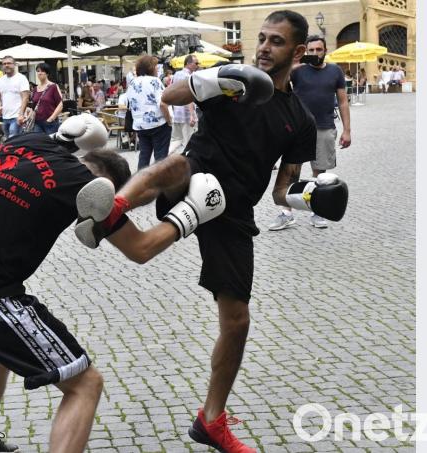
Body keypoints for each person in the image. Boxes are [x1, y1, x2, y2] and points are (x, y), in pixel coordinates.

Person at [73, 10, 349, 453]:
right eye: (262, 38)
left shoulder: (296, 118)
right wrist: (218, 80)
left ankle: (211, 420)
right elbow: (171, 91)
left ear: (298, 52)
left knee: (237, 321)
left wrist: (312, 197)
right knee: (177, 162)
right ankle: (113, 208)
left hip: (235, 209)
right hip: (197, 169)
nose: (263, 46)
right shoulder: (236, 81)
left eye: (275, 41)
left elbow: (281, 189)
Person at [0, 114, 148, 453]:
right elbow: (140, 248)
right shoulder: (82, 185)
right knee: (86, 384)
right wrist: (189, 215)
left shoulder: (23, 142)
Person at [268, 34, 351, 230]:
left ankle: (318, 210)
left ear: (325, 50)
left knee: (320, 173)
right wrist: (292, 66)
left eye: (318, 50)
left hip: (324, 127)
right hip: (297, 128)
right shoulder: (297, 71)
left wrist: (347, 130)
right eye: (311, 50)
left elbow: (343, 101)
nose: (315, 54)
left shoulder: (335, 71)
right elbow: (275, 84)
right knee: (290, 173)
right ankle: (286, 213)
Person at [126, 55, 172, 171]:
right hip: (158, 124)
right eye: (156, 66)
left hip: (140, 125)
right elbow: (162, 103)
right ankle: (160, 184)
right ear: (150, 67)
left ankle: (140, 183)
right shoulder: (154, 81)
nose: (158, 69)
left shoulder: (132, 83)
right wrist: (169, 120)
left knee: (144, 156)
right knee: (160, 158)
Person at [0, 55, 30, 139]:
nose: (6, 65)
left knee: (13, 140)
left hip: (17, 116)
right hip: (5, 116)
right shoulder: (1, 80)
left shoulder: (21, 78)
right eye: (4, 64)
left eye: (9, 63)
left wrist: (21, 114)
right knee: (8, 141)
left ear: (14, 65)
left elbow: (25, 97)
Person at [170, 54, 199, 154]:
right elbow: (189, 97)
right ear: (188, 64)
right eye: (196, 63)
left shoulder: (176, 75)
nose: (197, 65)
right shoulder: (189, 76)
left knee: (176, 141)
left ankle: (164, 158)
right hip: (186, 114)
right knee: (189, 142)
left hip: (177, 114)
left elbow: (171, 92)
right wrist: (192, 115)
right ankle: (186, 165)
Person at [31, 62, 64, 134]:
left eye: (42, 71)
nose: (40, 73)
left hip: (50, 123)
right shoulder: (35, 89)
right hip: (37, 122)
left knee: (50, 143)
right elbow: (33, 107)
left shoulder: (53, 86)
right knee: (38, 143)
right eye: (38, 71)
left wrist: (51, 119)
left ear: (47, 73)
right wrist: (28, 117)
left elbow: (60, 104)